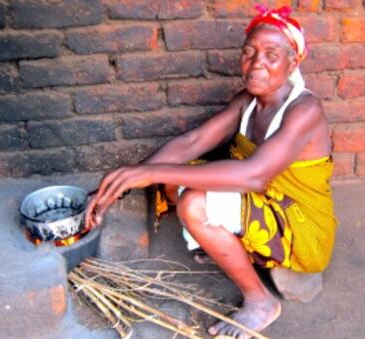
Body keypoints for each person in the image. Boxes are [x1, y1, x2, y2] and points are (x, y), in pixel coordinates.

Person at [85, 4, 337, 337]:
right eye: (249, 52)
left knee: (192, 202)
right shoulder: (247, 102)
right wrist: (128, 178)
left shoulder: (305, 110)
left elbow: (254, 175)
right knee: (176, 176)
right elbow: (194, 142)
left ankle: (260, 301)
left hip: (301, 223)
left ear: (295, 60)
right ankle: (226, 244)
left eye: (271, 55)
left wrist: (150, 174)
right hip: (262, 196)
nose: (256, 62)